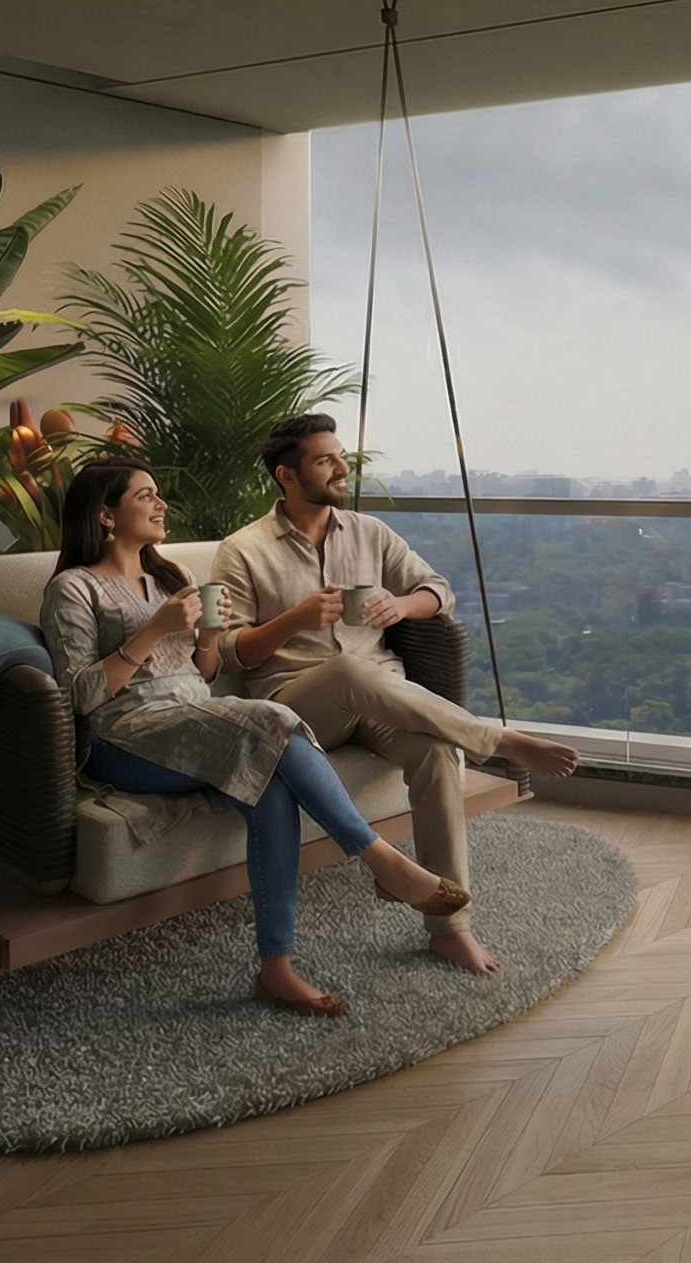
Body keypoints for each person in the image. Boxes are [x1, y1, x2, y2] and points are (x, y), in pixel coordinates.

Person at [40, 459, 469, 1017]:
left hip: (193, 717)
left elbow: (205, 673)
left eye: (158, 493)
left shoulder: (172, 576)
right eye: (146, 496)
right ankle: (380, 859)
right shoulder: (72, 589)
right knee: (269, 718)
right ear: (105, 514)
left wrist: (207, 638)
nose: (161, 504)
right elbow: (80, 696)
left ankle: (276, 970)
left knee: (269, 786)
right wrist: (154, 629)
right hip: (123, 737)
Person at [215, 415, 581, 976]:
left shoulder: (370, 533)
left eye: (340, 456)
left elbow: (439, 591)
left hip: (378, 696)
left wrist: (401, 605)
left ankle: (451, 929)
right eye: (324, 461)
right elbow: (231, 652)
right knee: (347, 670)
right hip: (297, 706)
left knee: (436, 753)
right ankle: (497, 739)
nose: (341, 468)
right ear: (287, 476)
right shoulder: (243, 550)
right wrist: (296, 619)